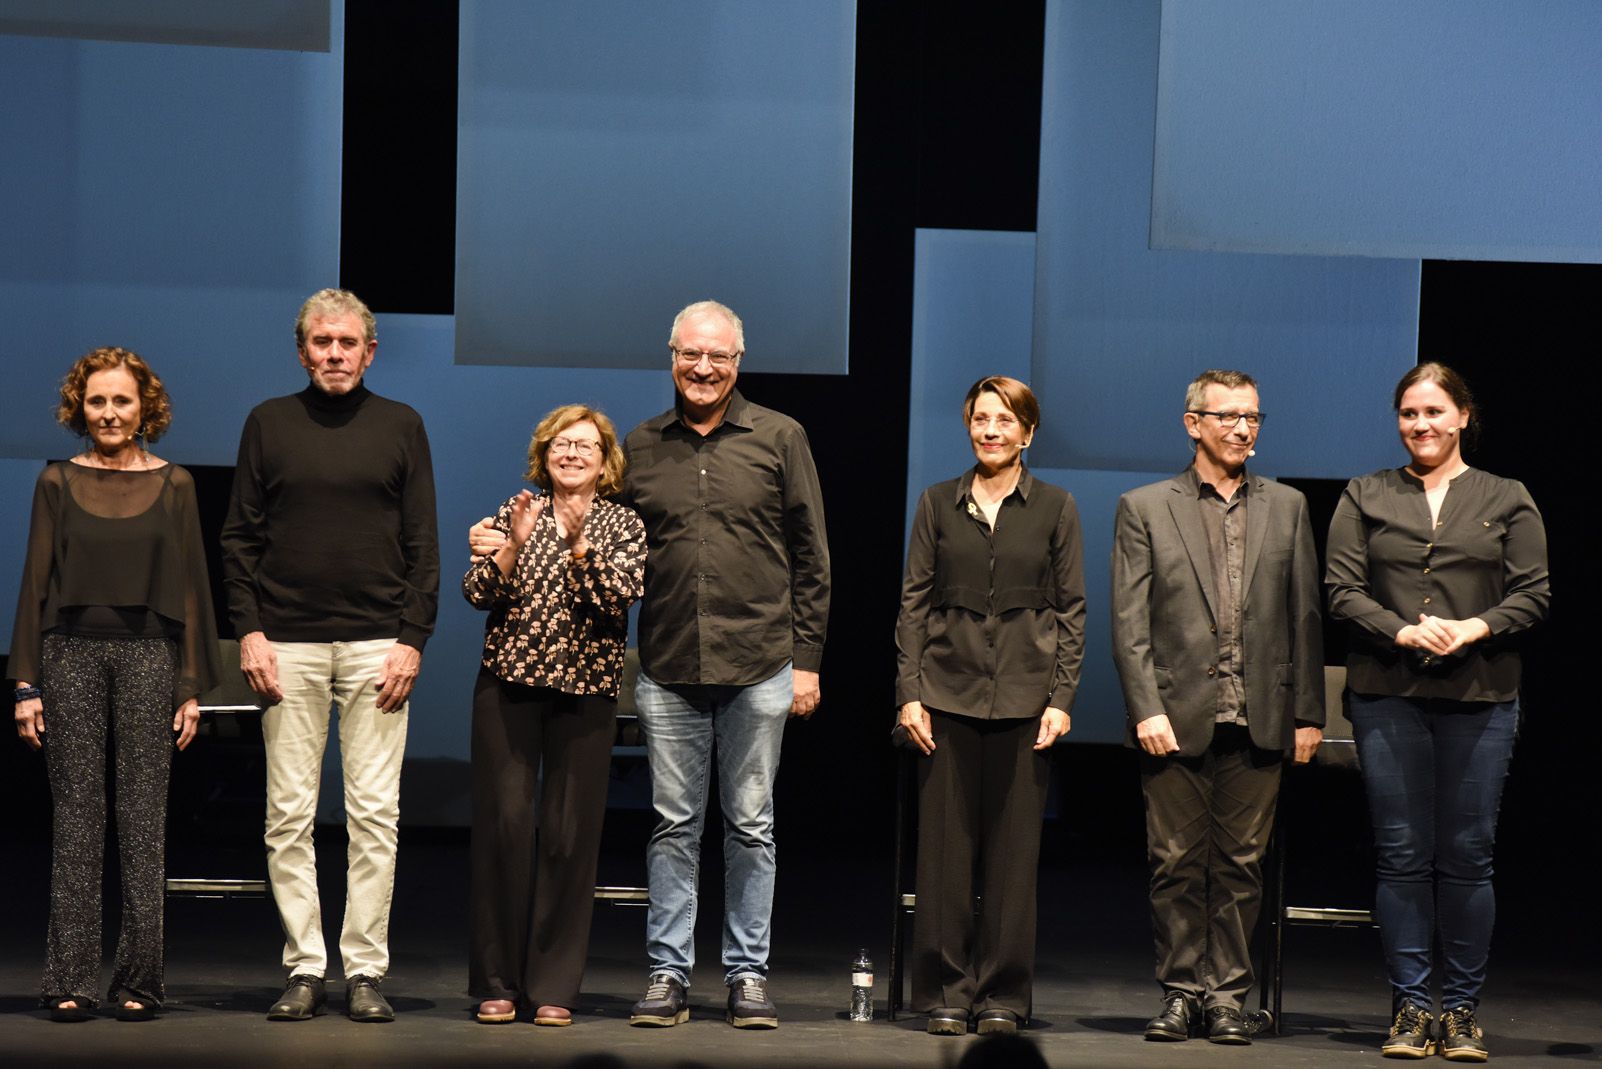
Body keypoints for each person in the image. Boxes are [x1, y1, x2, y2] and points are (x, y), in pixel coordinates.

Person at [470, 299, 830, 1029]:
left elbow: (811, 556)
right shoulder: (640, 444)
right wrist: (498, 534)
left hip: (760, 659)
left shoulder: (780, 436)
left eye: (718, 357)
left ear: (738, 361)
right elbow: (586, 521)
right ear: (672, 356)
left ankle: (747, 974)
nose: (703, 368)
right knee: (672, 824)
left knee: (752, 824)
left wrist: (809, 661)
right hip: (667, 665)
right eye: (691, 354)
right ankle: (668, 972)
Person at [220, 289, 440, 1023]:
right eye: (322, 342)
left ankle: (366, 970)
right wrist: (249, 630)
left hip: (379, 640)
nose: (335, 354)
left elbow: (424, 544)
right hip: (287, 642)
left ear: (370, 351)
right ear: (302, 349)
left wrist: (412, 638)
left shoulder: (401, 425)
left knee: (375, 815)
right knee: (288, 815)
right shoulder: (268, 423)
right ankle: (306, 965)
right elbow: (239, 538)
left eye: (349, 343)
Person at [1325, 362, 1548, 1062]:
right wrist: (1400, 627)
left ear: (1461, 417)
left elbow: (1534, 591)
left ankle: (1459, 1011)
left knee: (1467, 856)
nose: (1420, 424)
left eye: (1432, 412)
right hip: (1387, 693)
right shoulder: (1365, 493)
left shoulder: (1507, 496)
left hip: (1480, 697)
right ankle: (1412, 1004)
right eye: (1408, 413)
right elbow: (1339, 587)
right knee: (1401, 856)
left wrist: (1476, 626)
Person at [1111, 369, 1324, 1045]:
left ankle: (1227, 995)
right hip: (1175, 713)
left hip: (1259, 712)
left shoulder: (1286, 506)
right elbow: (1130, 620)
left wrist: (1308, 712)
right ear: (1192, 422)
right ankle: (1180, 990)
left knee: (1240, 865)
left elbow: (1305, 616)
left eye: (1252, 417)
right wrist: (1145, 705)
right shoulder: (1145, 506)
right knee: (1175, 861)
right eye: (1227, 415)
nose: (1242, 428)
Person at [9, 347, 221, 1022]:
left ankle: (140, 979)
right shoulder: (56, 481)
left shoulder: (178, 484)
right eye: (96, 401)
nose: (108, 412)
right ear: (80, 408)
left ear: (144, 407)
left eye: (121, 400)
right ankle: (68, 977)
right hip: (69, 654)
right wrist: (24, 683)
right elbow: (33, 583)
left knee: (142, 822)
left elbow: (191, 588)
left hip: (149, 657)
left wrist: (190, 683)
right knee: (76, 820)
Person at [894, 376, 1085, 1036]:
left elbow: (1071, 610)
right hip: (945, 697)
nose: (991, 429)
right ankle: (948, 990)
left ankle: (1003, 995)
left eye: (1005, 419)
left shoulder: (1055, 507)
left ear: (1027, 431)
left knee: (1011, 860)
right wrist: (909, 694)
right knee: (944, 857)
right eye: (981, 418)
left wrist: (1061, 698)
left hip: (1027, 703)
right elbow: (913, 604)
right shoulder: (938, 503)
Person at [463, 405, 645, 1026]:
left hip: (586, 691)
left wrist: (576, 541)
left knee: (569, 837)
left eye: (586, 445)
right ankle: (497, 981)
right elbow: (477, 592)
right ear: (544, 454)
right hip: (507, 686)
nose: (572, 454)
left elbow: (616, 595)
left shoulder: (623, 524)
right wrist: (513, 541)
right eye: (561, 444)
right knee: (505, 826)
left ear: (605, 459)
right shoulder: (514, 512)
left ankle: (554, 987)